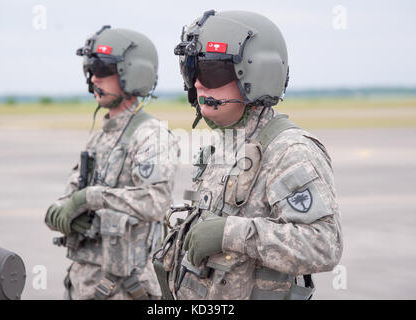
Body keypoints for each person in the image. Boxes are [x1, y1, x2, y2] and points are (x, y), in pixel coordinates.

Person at [153, 10, 343, 300]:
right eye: (191, 70)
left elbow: (324, 245)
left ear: (257, 74)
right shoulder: (226, 143)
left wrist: (231, 233)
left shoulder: (288, 149)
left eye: (210, 71)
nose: (198, 84)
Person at [44, 25, 179, 300]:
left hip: (125, 287)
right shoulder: (100, 138)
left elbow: (155, 202)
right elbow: (66, 200)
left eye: (103, 69)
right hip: (83, 283)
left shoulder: (151, 135)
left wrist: (88, 198)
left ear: (132, 74)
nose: (94, 78)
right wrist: (62, 213)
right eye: (90, 69)